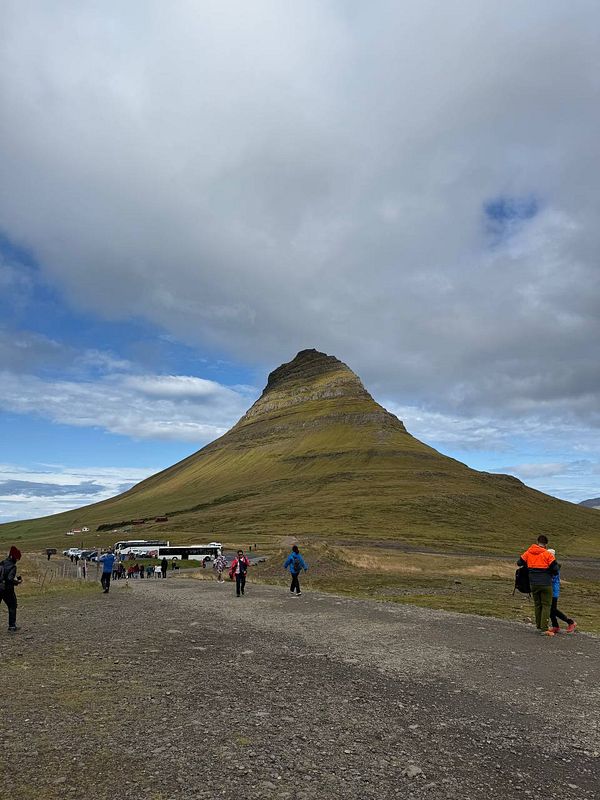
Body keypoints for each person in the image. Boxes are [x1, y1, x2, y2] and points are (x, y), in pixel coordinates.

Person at [517, 535, 559, 635]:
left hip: (533, 583)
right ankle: (544, 628)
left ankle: (539, 625)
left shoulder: (528, 552)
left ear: (537, 542)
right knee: (546, 605)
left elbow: (519, 563)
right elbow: (555, 569)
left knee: (537, 604)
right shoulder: (547, 554)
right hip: (545, 583)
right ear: (546, 544)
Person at [547, 549, 577, 634]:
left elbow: (552, 578)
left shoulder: (554, 566)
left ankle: (570, 622)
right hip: (551, 590)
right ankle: (555, 626)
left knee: (553, 609)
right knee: (550, 609)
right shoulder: (552, 565)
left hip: (553, 591)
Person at [0, 546, 23, 632]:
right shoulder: (13, 567)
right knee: (12, 605)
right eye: (17, 559)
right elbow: (9, 579)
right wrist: (17, 582)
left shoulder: (2, 563)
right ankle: (12, 626)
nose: (17, 561)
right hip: (7, 590)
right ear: (14, 557)